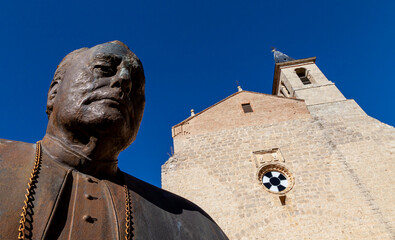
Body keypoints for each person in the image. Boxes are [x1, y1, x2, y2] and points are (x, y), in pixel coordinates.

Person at [0, 41, 228, 240]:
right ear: (53, 93)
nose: (124, 80)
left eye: (137, 86)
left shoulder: (194, 225)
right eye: (104, 68)